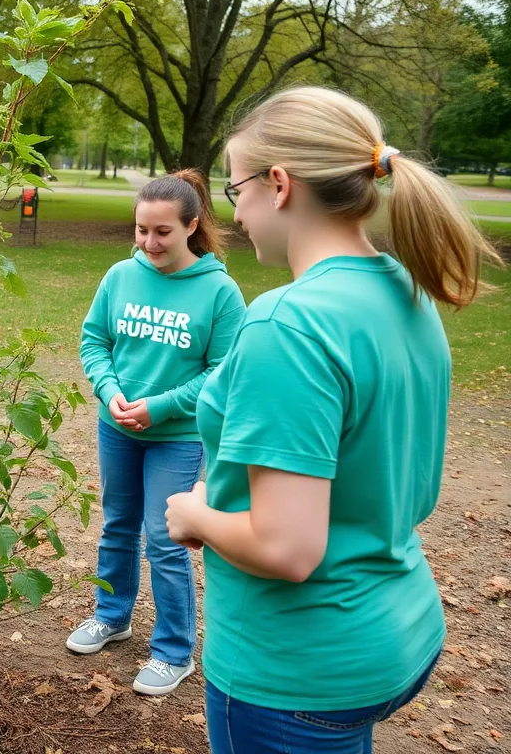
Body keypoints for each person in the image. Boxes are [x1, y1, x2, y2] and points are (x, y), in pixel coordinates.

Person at [163, 87, 502, 753]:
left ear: (279, 185)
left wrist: (194, 515)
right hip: (395, 629)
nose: (237, 216)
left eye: (236, 192)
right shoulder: (403, 289)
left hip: (296, 668)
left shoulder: (288, 324)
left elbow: (288, 548)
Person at [69, 170, 245, 696]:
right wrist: (108, 390)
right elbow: (94, 341)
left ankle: (174, 651)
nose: (149, 243)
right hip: (117, 426)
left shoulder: (220, 292)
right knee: (117, 524)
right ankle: (112, 615)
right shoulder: (120, 275)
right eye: (142, 230)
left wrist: (163, 406)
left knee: (164, 538)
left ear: (192, 226)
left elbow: (224, 372)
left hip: (179, 435)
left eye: (162, 232)